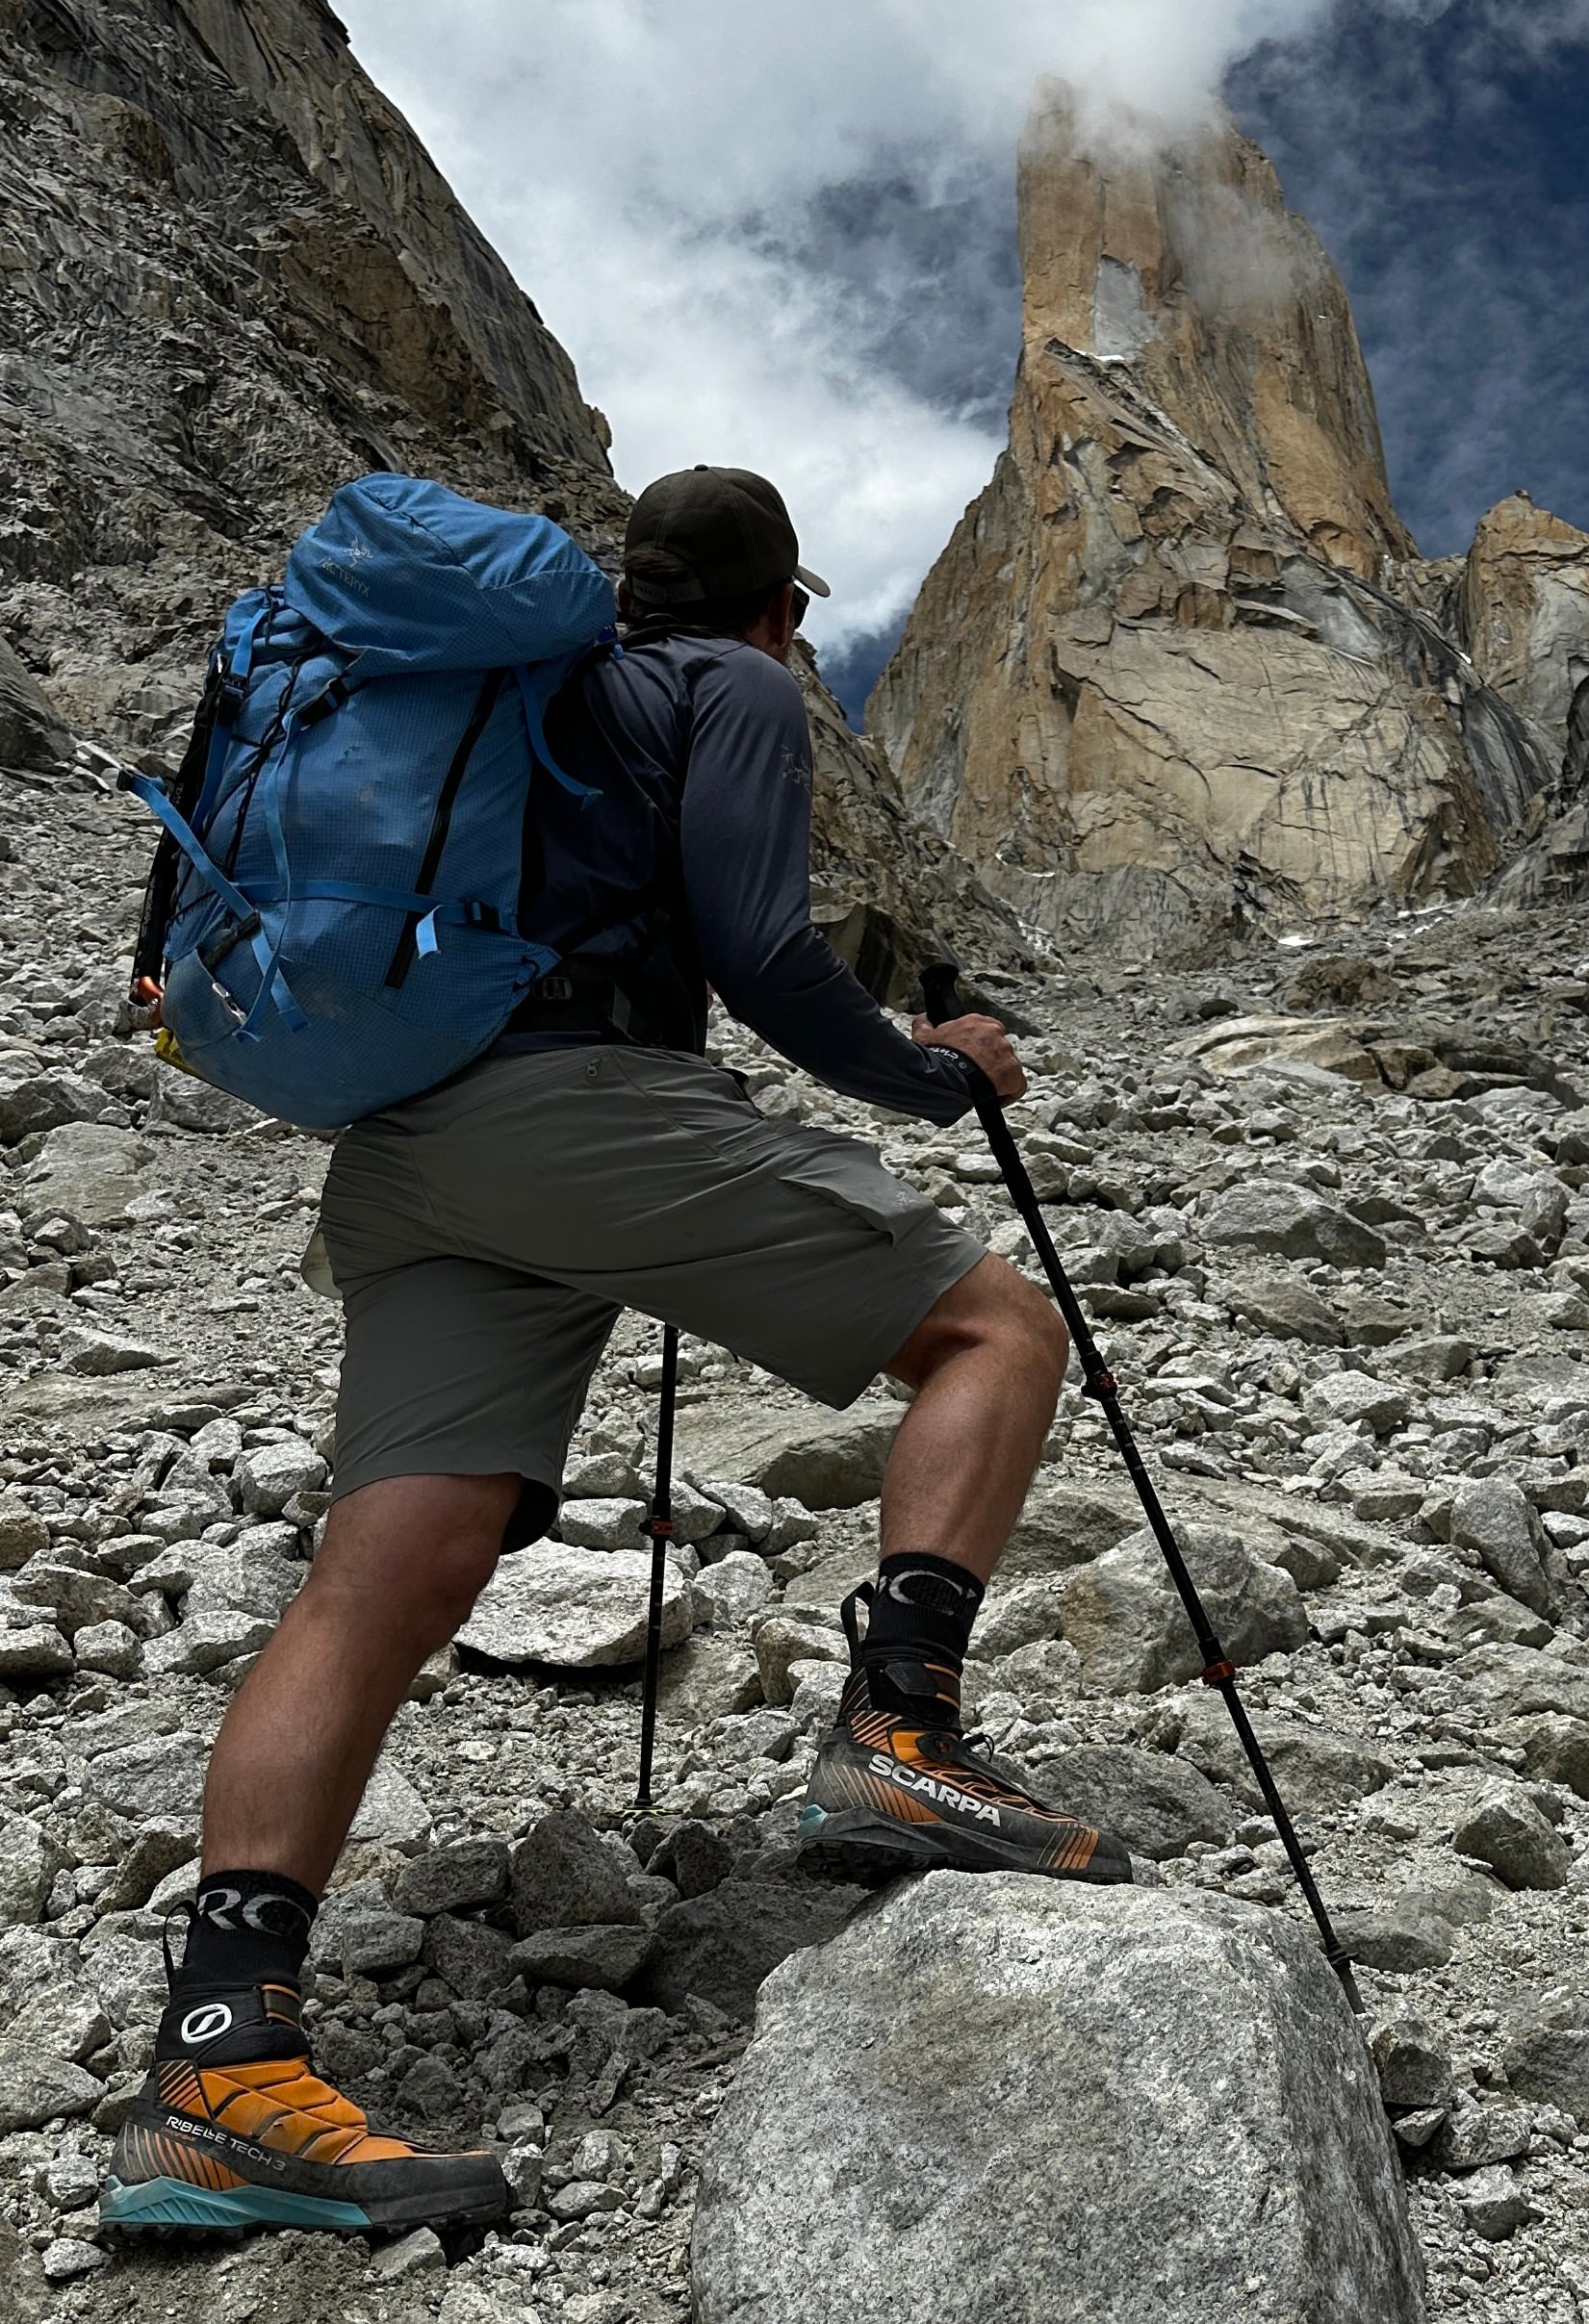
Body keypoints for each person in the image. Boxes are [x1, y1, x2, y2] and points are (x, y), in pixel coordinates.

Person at [101, 467, 1128, 2241]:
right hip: (581, 1107)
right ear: (781, 611)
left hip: (414, 1142)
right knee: (997, 1326)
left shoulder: (528, 687)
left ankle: (220, 2070)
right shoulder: (730, 686)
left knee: (380, 1575)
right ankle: (904, 1729)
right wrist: (933, 1068)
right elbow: (754, 944)